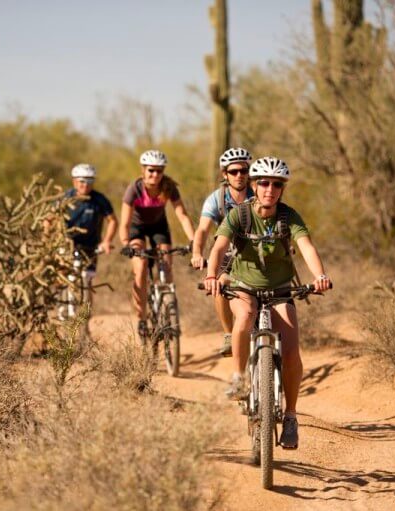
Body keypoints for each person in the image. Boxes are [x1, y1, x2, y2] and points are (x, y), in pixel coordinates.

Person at [202, 157, 332, 450]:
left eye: (276, 184)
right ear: (254, 185)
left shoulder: (289, 217)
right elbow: (219, 245)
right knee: (245, 316)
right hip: (243, 286)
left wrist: (320, 275)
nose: (269, 189)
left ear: (282, 189)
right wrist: (212, 276)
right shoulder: (240, 215)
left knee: (291, 351)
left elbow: (306, 246)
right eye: (263, 183)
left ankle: (290, 417)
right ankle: (239, 378)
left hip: (280, 289)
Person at [119, 150, 196, 338]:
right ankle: (141, 318)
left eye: (159, 171)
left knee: (167, 265)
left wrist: (194, 240)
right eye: (151, 170)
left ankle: (169, 308)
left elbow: (182, 215)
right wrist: (125, 243)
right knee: (141, 267)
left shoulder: (168, 188)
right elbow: (125, 223)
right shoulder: (134, 189)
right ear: (143, 170)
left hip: (159, 228)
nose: (155, 175)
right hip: (137, 230)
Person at [190, 147, 254, 357]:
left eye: (243, 171)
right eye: (233, 171)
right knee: (219, 282)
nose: (239, 176)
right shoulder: (215, 200)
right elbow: (202, 229)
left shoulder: (260, 192)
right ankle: (228, 334)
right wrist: (197, 253)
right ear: (224, 174)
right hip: (228, 251)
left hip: (258, 250)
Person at [62, 163, 117, 316]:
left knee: (87, 279)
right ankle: (62, 312)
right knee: (66, 277)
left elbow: (112, 220)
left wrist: (106, 241)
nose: (85, 185)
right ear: (74, 181)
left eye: (90, 181)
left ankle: (85, 320)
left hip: (90, 247)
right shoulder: (65, 198)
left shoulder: (99, 200)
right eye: (82, 181)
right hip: (67, 245)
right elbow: (50, 219)